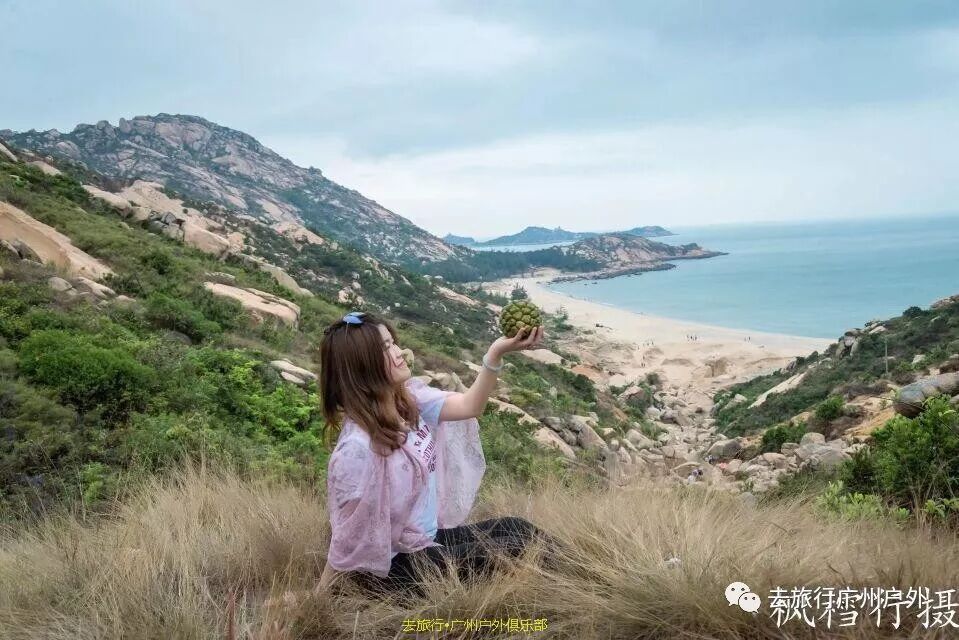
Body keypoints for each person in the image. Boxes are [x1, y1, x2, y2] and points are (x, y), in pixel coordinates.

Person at [316, 311, 557, 598]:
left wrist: (496, 353)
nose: (398, 352)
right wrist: (318, 595)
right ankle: (580, 587)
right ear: (361, 366)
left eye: (393, 343)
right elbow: (348, 532)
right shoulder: (357, 448)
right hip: (391, 569)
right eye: (384, 348)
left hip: (424, 541)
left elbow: (470, 406)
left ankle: (585, 577)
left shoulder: (407, 401)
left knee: (516, 528)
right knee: (514, 550)